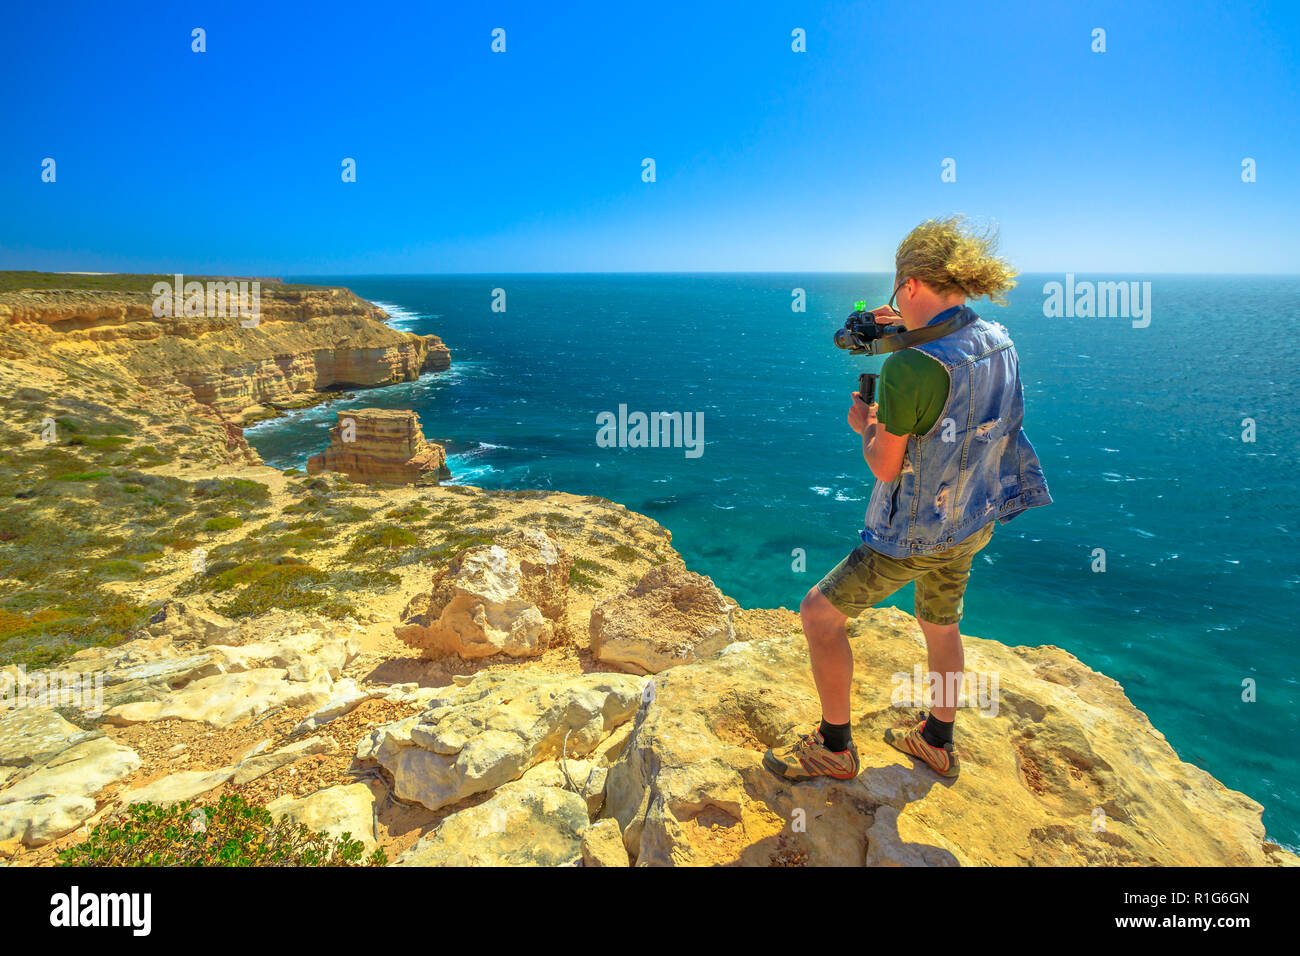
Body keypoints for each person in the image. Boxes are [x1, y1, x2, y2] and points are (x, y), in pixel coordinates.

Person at [764, 216, 1052, 782]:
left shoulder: (909, 366)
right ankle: (937, 742)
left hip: (912, 535)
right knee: (941, 626)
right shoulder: (999, 341)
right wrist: (889, 331)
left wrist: (864, 425)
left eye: (898, 289)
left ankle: (835, 747)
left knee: (819, 616)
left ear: (912, 285)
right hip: (973, 518)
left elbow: (885, 464)